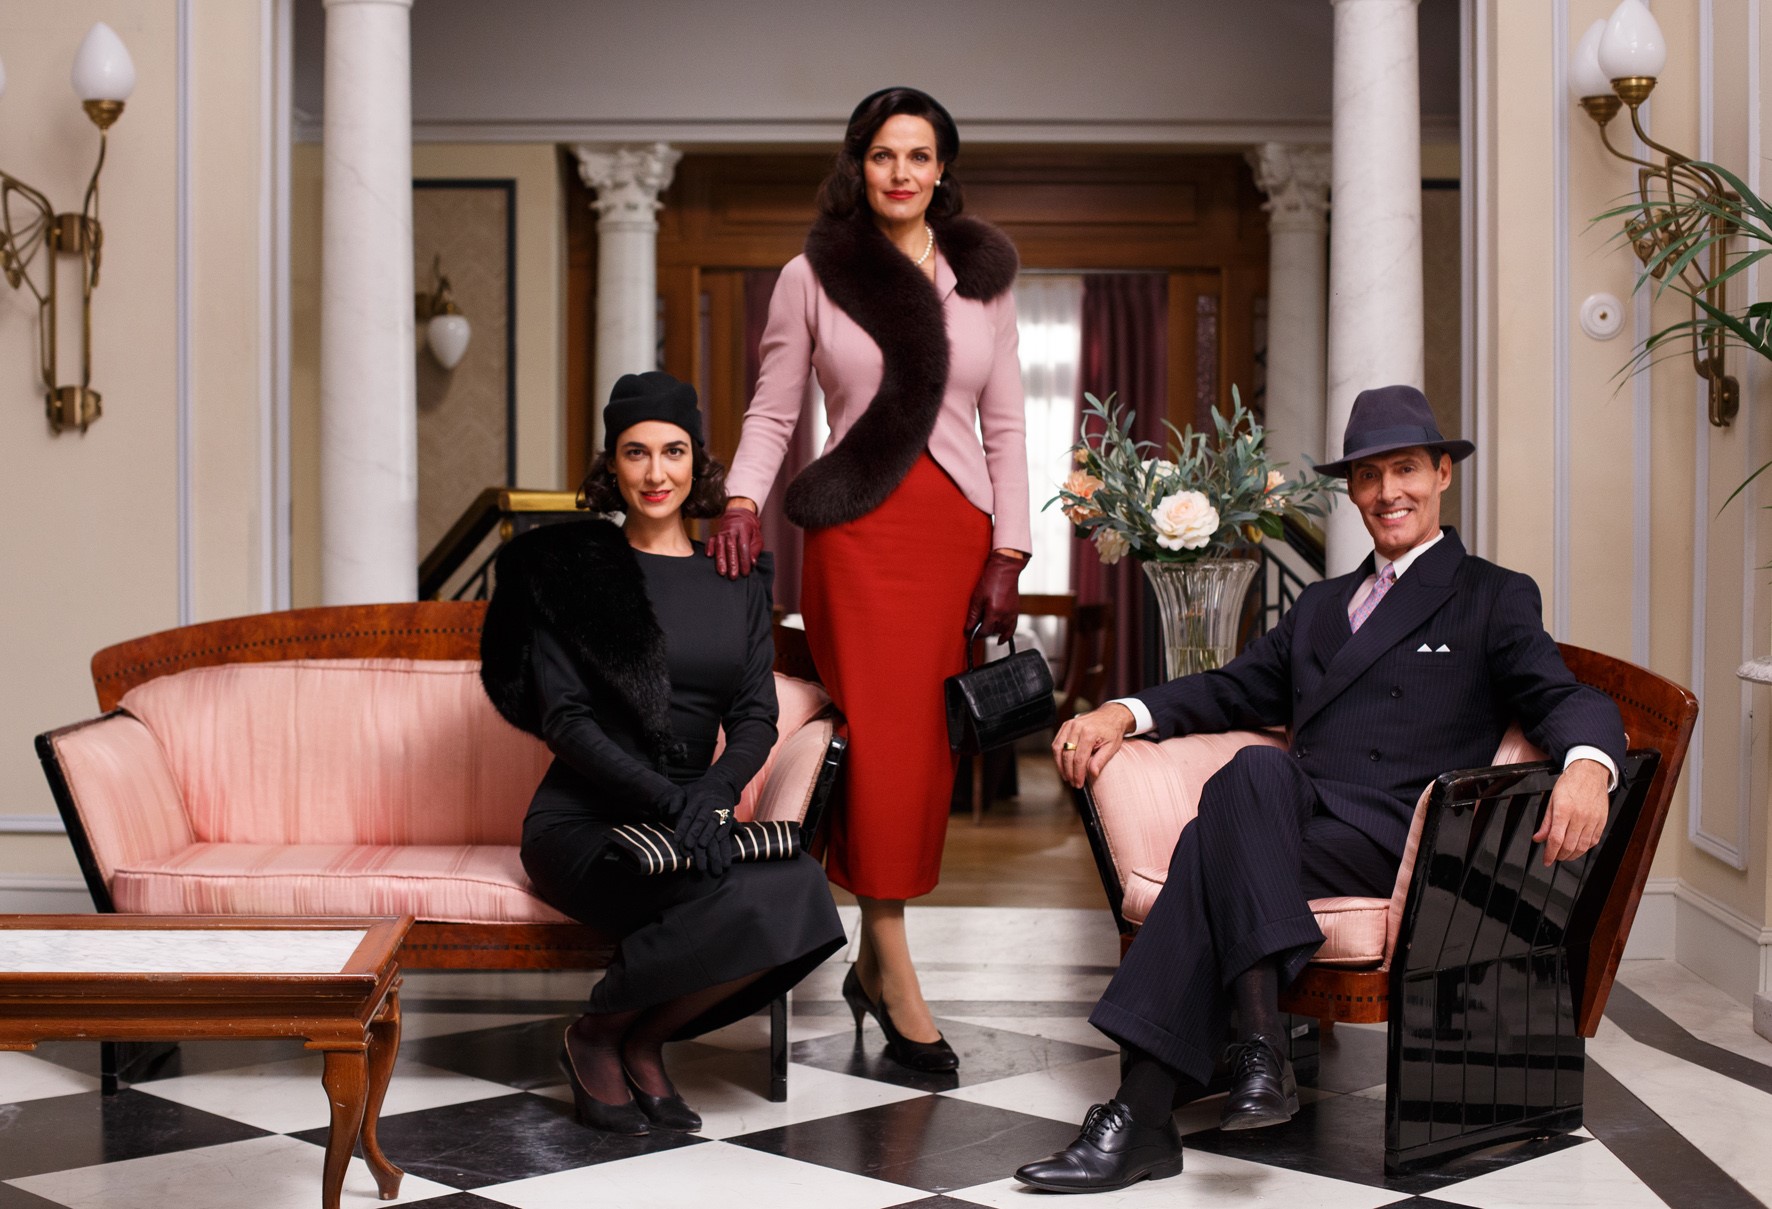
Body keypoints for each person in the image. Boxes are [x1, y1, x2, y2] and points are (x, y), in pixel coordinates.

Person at [1013, 384, 1627, 1192]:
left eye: (1405, 469)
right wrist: (1123, 712)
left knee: (1207, 842)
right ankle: (1256, 1048)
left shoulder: (1491, 593)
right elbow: (1231, 688)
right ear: (1353, 490)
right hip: (1296, 818)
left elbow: (1563, 694)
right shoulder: (1321, 604)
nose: (1387, 492)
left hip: (1398, 838)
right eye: (1368, 475)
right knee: (1256, 768)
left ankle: (1147, 1111)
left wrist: (1588, 763)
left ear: (1443, 474)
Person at [705, 87, 1031, 1072]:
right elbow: (773, 410)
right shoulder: (812, 275)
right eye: (884, 154)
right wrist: (739, 500)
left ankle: (872, 960)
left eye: (919, 155)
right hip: (854, 536)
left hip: (953, 537)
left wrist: (1010, 551)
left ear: (942, 169)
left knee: (925, 749)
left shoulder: (982, 280)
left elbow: (1006, 425)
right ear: (860, 165)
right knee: (880, 741)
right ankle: (891, 966)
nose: (901, 172)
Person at [479, 371, 845, 1137]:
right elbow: (567, 722)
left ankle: (630, 1035)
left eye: (673, 451)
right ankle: (600, 1038)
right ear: (611, 465)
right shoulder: (572, 572)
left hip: (694, 811)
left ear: (697, 461)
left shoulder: (735, 576)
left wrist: (713, 793)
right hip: (587, 818)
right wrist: (671, 800)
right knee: (731, 896)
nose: (655, 472)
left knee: (802, 889)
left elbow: (755, 714)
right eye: (635, 452)